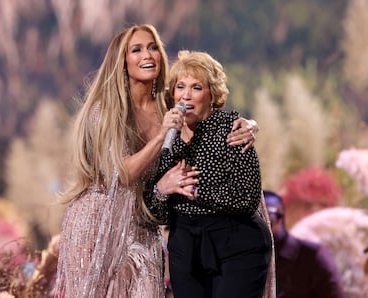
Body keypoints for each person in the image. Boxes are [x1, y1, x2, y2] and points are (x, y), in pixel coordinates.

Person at [54, 24, 259, 297]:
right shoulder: (104, 111)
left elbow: (206, 112)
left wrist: (249, 124)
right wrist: (162, 134)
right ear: (121, 61)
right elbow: (122, 174)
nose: (147, 55)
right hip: (100, 222)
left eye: (152, 47)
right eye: (136, 49)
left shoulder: (168, 104)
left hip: (143, 223)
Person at [144, 50, 274, 298]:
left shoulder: (233, 129)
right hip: (185, 249)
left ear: (212, 94)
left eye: (196, 88)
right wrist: (162, 190)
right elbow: (158, 215)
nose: (186, 95)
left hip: (236, 245)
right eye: (180, 87)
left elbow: (246, 199)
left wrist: (196, 192)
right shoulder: (166, 139)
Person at [263, 190, 344, 298]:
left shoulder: (313, 256)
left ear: (280, 215)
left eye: (267, 215)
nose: (260, 222)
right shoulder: (244, 258)